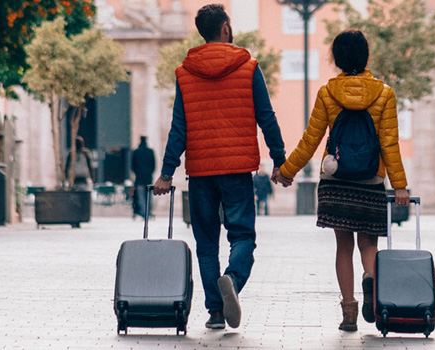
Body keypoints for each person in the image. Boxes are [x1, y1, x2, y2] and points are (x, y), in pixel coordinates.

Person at [152, 3, 288, 330]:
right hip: (238, 169)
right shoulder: (248, 66)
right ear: (225, 27)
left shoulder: (185, 73)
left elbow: (178, 128)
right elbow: (266, 117)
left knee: (206, 242)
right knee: (242, 236)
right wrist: (280, 160)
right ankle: (233, 279)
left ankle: (215, 311)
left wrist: (166, 173)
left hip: (200, 171)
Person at [278, 29, 410, 332]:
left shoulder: (327, 92)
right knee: (368, 244)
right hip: (370, 179)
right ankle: (371, 282)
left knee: (342, 247)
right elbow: (390, 143)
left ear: (336, 58)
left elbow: (311, 139)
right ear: (366, 57)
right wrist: (399, 185)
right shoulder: (384, 93)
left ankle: (349, 312)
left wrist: (287, 171)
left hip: (335, 179)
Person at [131, 136, 156, 219]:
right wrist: (150, 173)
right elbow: (154, 165)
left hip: (139, 178)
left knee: (141, 197)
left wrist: (137, 173)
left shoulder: (136, 152)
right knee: (149, 196)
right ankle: (148, 212)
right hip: (148, 177)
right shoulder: (150, 151)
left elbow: (132, 166)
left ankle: (143, 212)